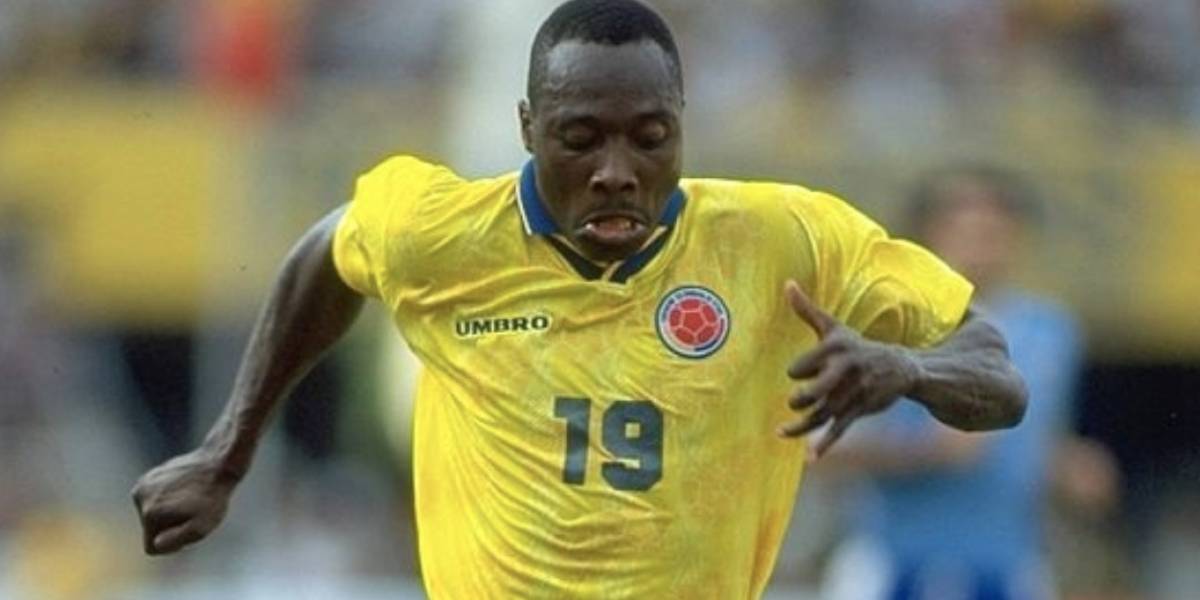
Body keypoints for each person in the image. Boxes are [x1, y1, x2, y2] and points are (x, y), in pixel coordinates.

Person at [131, 1, 1027, 597]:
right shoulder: (443, 234)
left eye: (650, 137)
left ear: (682, 124)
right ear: (528, 128)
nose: (616, 172)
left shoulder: (783, 239)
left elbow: (996, 373)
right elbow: (330, 251)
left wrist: (907, 370)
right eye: (580, 138)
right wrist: (227, 451)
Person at [821, 165, 1118, 600]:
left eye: (995, 233)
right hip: (895, 562)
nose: (982, 248)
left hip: (1008, 564)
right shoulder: (884, 322)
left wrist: (1069, 466)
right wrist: (925, 451)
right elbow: (818, 450)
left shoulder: (1051, 331)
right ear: (928, 235)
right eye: (968, 233)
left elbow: (1041, 438)